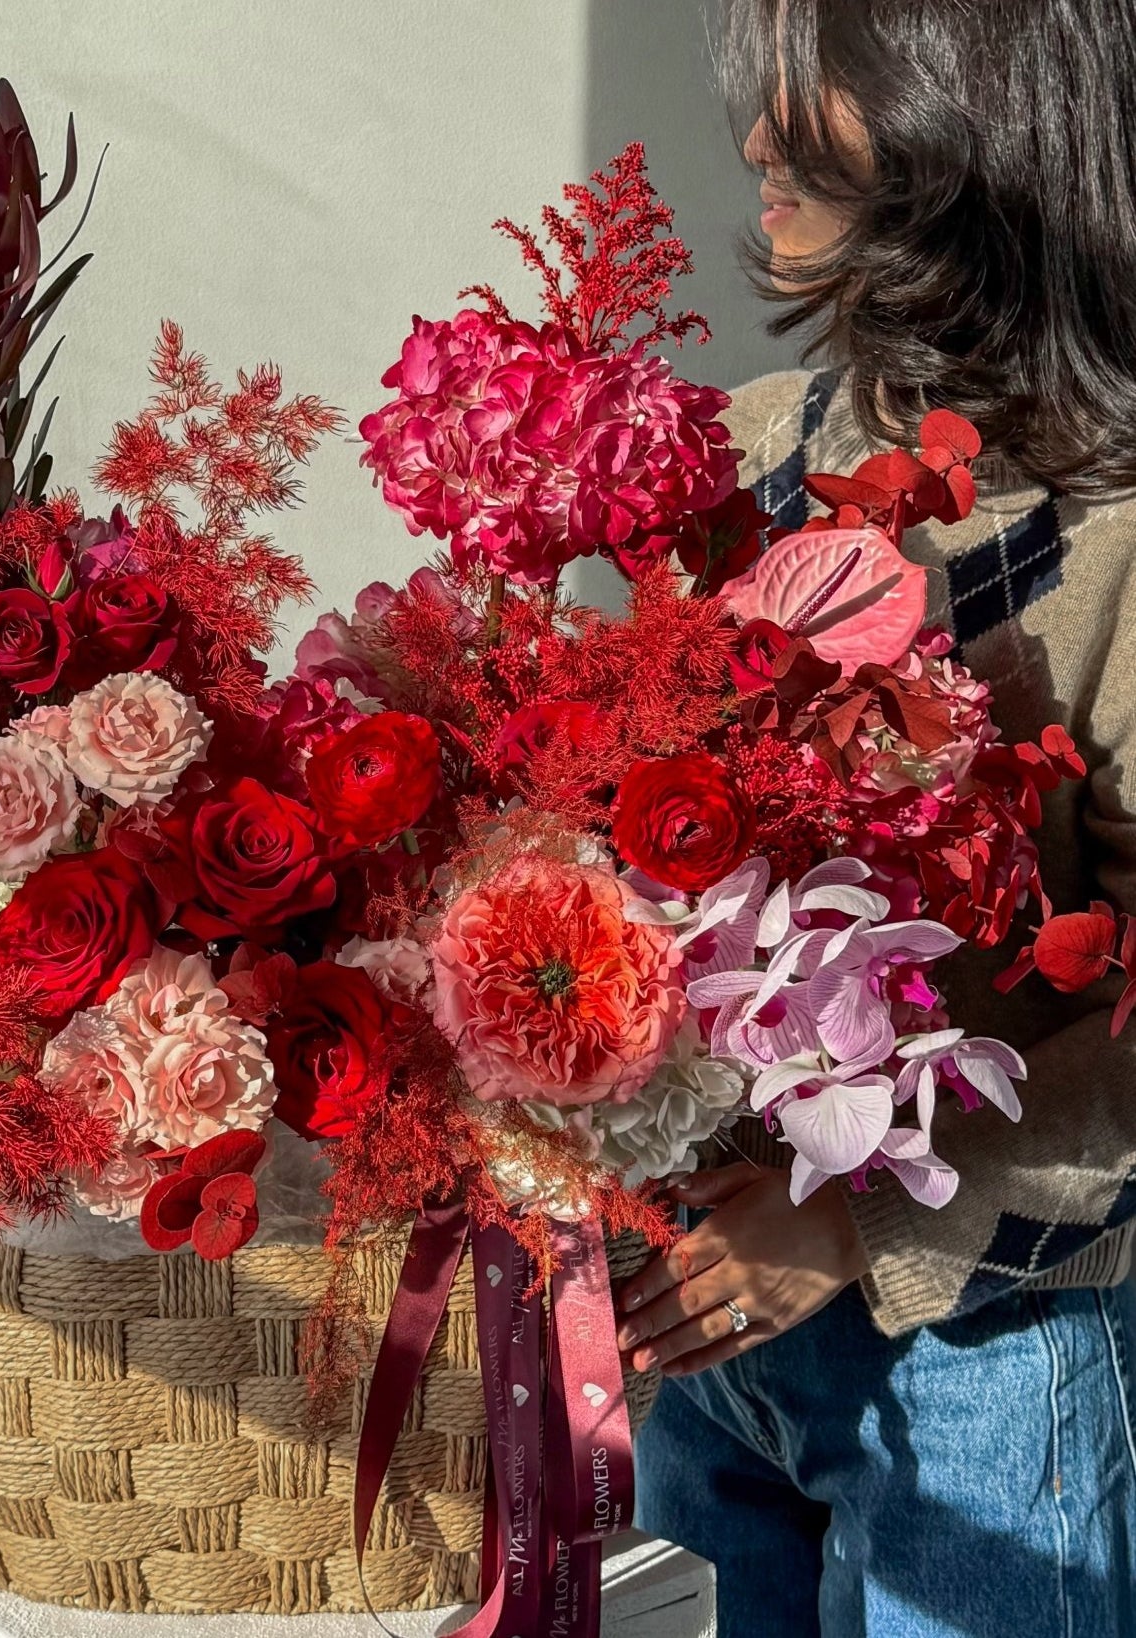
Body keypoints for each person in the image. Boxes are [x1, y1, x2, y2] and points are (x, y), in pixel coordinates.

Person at [625, 4, 1136, 1635]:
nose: (756, 140)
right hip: (702, 1343)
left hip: (984, 1366)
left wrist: (852, 1216)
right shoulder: (749, 458)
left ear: (974, 100)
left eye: (814, 85)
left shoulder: (1114, 532)